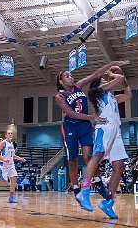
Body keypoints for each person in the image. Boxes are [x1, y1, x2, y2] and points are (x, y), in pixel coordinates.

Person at [55, 61, 129, 202]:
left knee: (89, 156)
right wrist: (92, 117)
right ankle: (76, 188)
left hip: (85, 125)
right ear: (61, 81)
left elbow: (95, 74)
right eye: (67, 76)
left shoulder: (78, 86)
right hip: (70, 126)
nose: (71, 77)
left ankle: (98, 182)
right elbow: (71, 113)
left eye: (71, 75)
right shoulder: (59, 96)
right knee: (72, 161)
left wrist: (112, 63)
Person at [77, 65, 132, 219]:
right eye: (102, 80)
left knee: (119, 166)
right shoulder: (96, 92)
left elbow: (128, 95)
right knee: (98, 155)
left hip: (116, 130)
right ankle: (84, 190)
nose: (105, 81)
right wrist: (113, 74)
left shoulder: (111, 97)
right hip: (105, 127)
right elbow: (118, 79)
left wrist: (123, 79)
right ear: (98, 85)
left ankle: (109, 202)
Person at [0, 130, 26, 203]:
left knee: (14, 180)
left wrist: (20, 158)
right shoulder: (3, 143)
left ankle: (11, 197)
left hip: (11, 165)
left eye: (11, 133)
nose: (10, 134)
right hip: (4, 166)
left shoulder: (11, 144)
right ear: (6, 135)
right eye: (9, 133)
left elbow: (13, 156)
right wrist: (4, 159)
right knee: (4, 183)